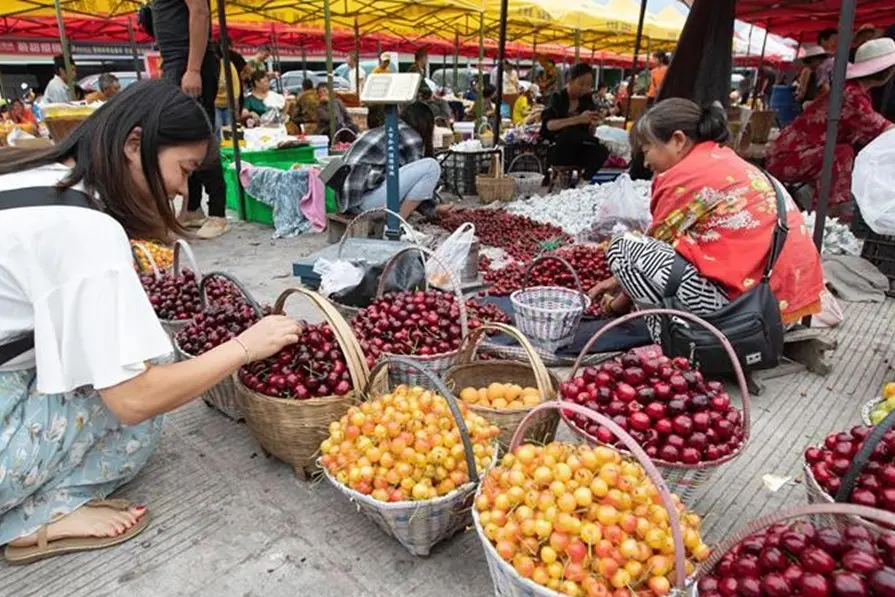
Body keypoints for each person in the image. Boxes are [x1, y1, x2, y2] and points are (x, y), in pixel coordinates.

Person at [0, 80, 302, 565]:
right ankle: (36, 517)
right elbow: (134, 398)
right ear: (134, 143)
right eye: (183, 170)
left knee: (139, 362)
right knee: (142, 414)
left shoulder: (34, 173)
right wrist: (244, 347)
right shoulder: (86, 231)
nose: (184, 188)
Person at [588, 98, 824, 341]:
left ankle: (676, 343)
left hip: (747, 317)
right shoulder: (721, 159)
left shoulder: (684, 176)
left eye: (647, 149)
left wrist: (616, 306)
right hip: (780, 309)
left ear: (678, 140)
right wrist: (617, 282)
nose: (646, 162)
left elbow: (650, 252)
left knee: (623, 247)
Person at [766, 38, 895, 221]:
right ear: (886, 72)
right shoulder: (852, 96)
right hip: (787, 159)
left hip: (790, 155)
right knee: (842, 153)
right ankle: (829, 216)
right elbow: (883, 128)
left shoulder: (852, 92)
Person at [152, 0, 229, 239]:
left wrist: (193, 69)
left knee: (198, 134)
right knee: (180, 137)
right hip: (175, 59)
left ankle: (217, 212)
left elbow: (200, 11)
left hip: (188, 60)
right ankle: (193, 207)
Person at [339, 101, 446, 219]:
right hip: (364, 203)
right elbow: (419, 181)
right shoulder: (410, 136)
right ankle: (398, 222)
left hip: (349, 202)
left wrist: (435, 209)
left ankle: (397, 218)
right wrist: (432, 209)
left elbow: (412, 185)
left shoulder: (391, 128)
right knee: (431, 167)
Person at [540, 63, 609, 182]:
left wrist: (593, 123)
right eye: (581, 84)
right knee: (569, 134)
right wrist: (578, 119)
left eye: (589, 85)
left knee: (602, 150)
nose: (585, 88)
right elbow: (549, 125)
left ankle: (583, 180)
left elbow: (589, 134)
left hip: (578, 149)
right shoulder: (558, 98)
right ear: (570, 81)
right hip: (558, 149)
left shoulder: (587, 100)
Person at [213, 48, 245, 135]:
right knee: (217, 128)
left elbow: (235, 86)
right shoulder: (210, 65)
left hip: (228, 104)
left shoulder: (229, 65)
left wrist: (236, 104)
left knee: (230, 130)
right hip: (215, 104)